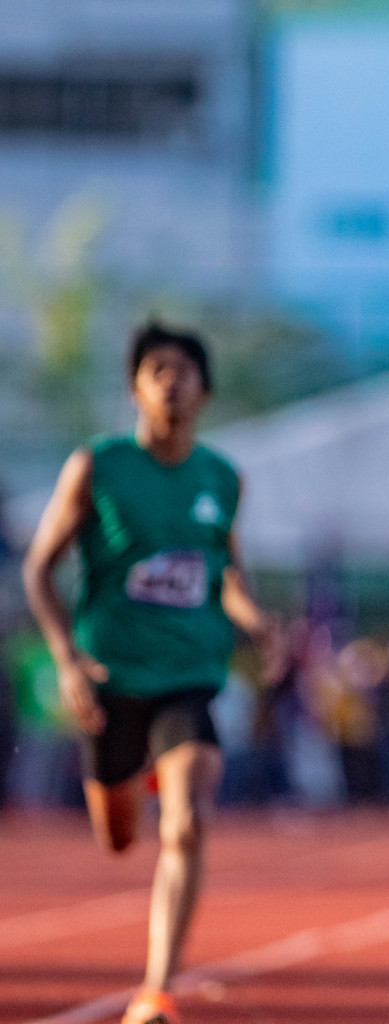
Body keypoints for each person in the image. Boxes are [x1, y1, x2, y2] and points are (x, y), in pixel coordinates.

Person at [22, 322, 279, 1024]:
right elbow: (39, 570)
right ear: (135, 386)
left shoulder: (222, 479)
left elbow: (226, 573)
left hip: (190, 672)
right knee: (118, 838)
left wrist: (254, 621)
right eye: (156, 368)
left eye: (184, 369)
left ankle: (155, 991)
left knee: (189, 822)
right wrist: (69, 659)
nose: (171, 380)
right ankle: (139, 774)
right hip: (110, 675)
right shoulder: (98, 466)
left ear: (206, 389)